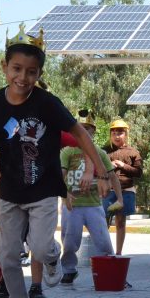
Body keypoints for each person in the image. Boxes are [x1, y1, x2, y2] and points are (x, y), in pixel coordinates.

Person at [0, 25, 109, 298]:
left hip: (44, 190)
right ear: (4, 67)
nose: (23, 77)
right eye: (16, 69)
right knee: (7, 255)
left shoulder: (47, 103)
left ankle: (52, 256)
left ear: (39, 73)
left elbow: (79, 133)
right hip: (10, 192)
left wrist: (100, 169)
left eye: (31, 72)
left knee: (39, 246)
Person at [60, 109, 123, 285]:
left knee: (103, 241)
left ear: (93, 132)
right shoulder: (68, 152)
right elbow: (61, 174)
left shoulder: (99, 153)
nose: (84, 132)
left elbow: (112, 177)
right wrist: (63, 194)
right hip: (72, 205)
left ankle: (109, 268)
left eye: (88, 129)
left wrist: (120, 198)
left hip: (93, 204)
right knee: (70, 242)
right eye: (80, 128)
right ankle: (69, 270)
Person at [102, 117, 143, 256]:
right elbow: (96, 169)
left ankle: (118, 253)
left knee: (120, 222)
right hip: (108, 191)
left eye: (120, 133)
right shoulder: (104, 151)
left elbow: (139, 172)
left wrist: (122, 165)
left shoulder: (133, 152)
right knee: (103, 221)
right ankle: (105, 252)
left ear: (126, 134)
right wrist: (109, 166)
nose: (116, 136)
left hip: (126, 191)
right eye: (113, 133)